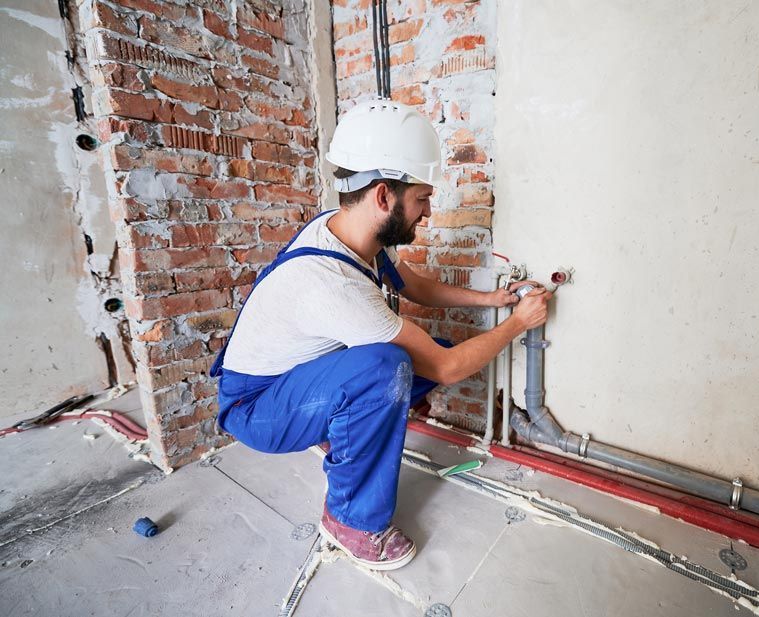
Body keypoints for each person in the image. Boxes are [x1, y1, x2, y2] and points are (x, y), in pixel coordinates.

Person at [210, 100, 551, 571]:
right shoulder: (334, 284)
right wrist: (519, 324)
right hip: (257, 407)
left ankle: (343, 428)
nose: (428, 212)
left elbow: (411, 285)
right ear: (384, 197)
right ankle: (349, 520)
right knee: (390, 367)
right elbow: (448, 370)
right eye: (423, 199)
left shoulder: (349, 232)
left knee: (421, 359)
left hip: (292, 377)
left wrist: (494, 302)